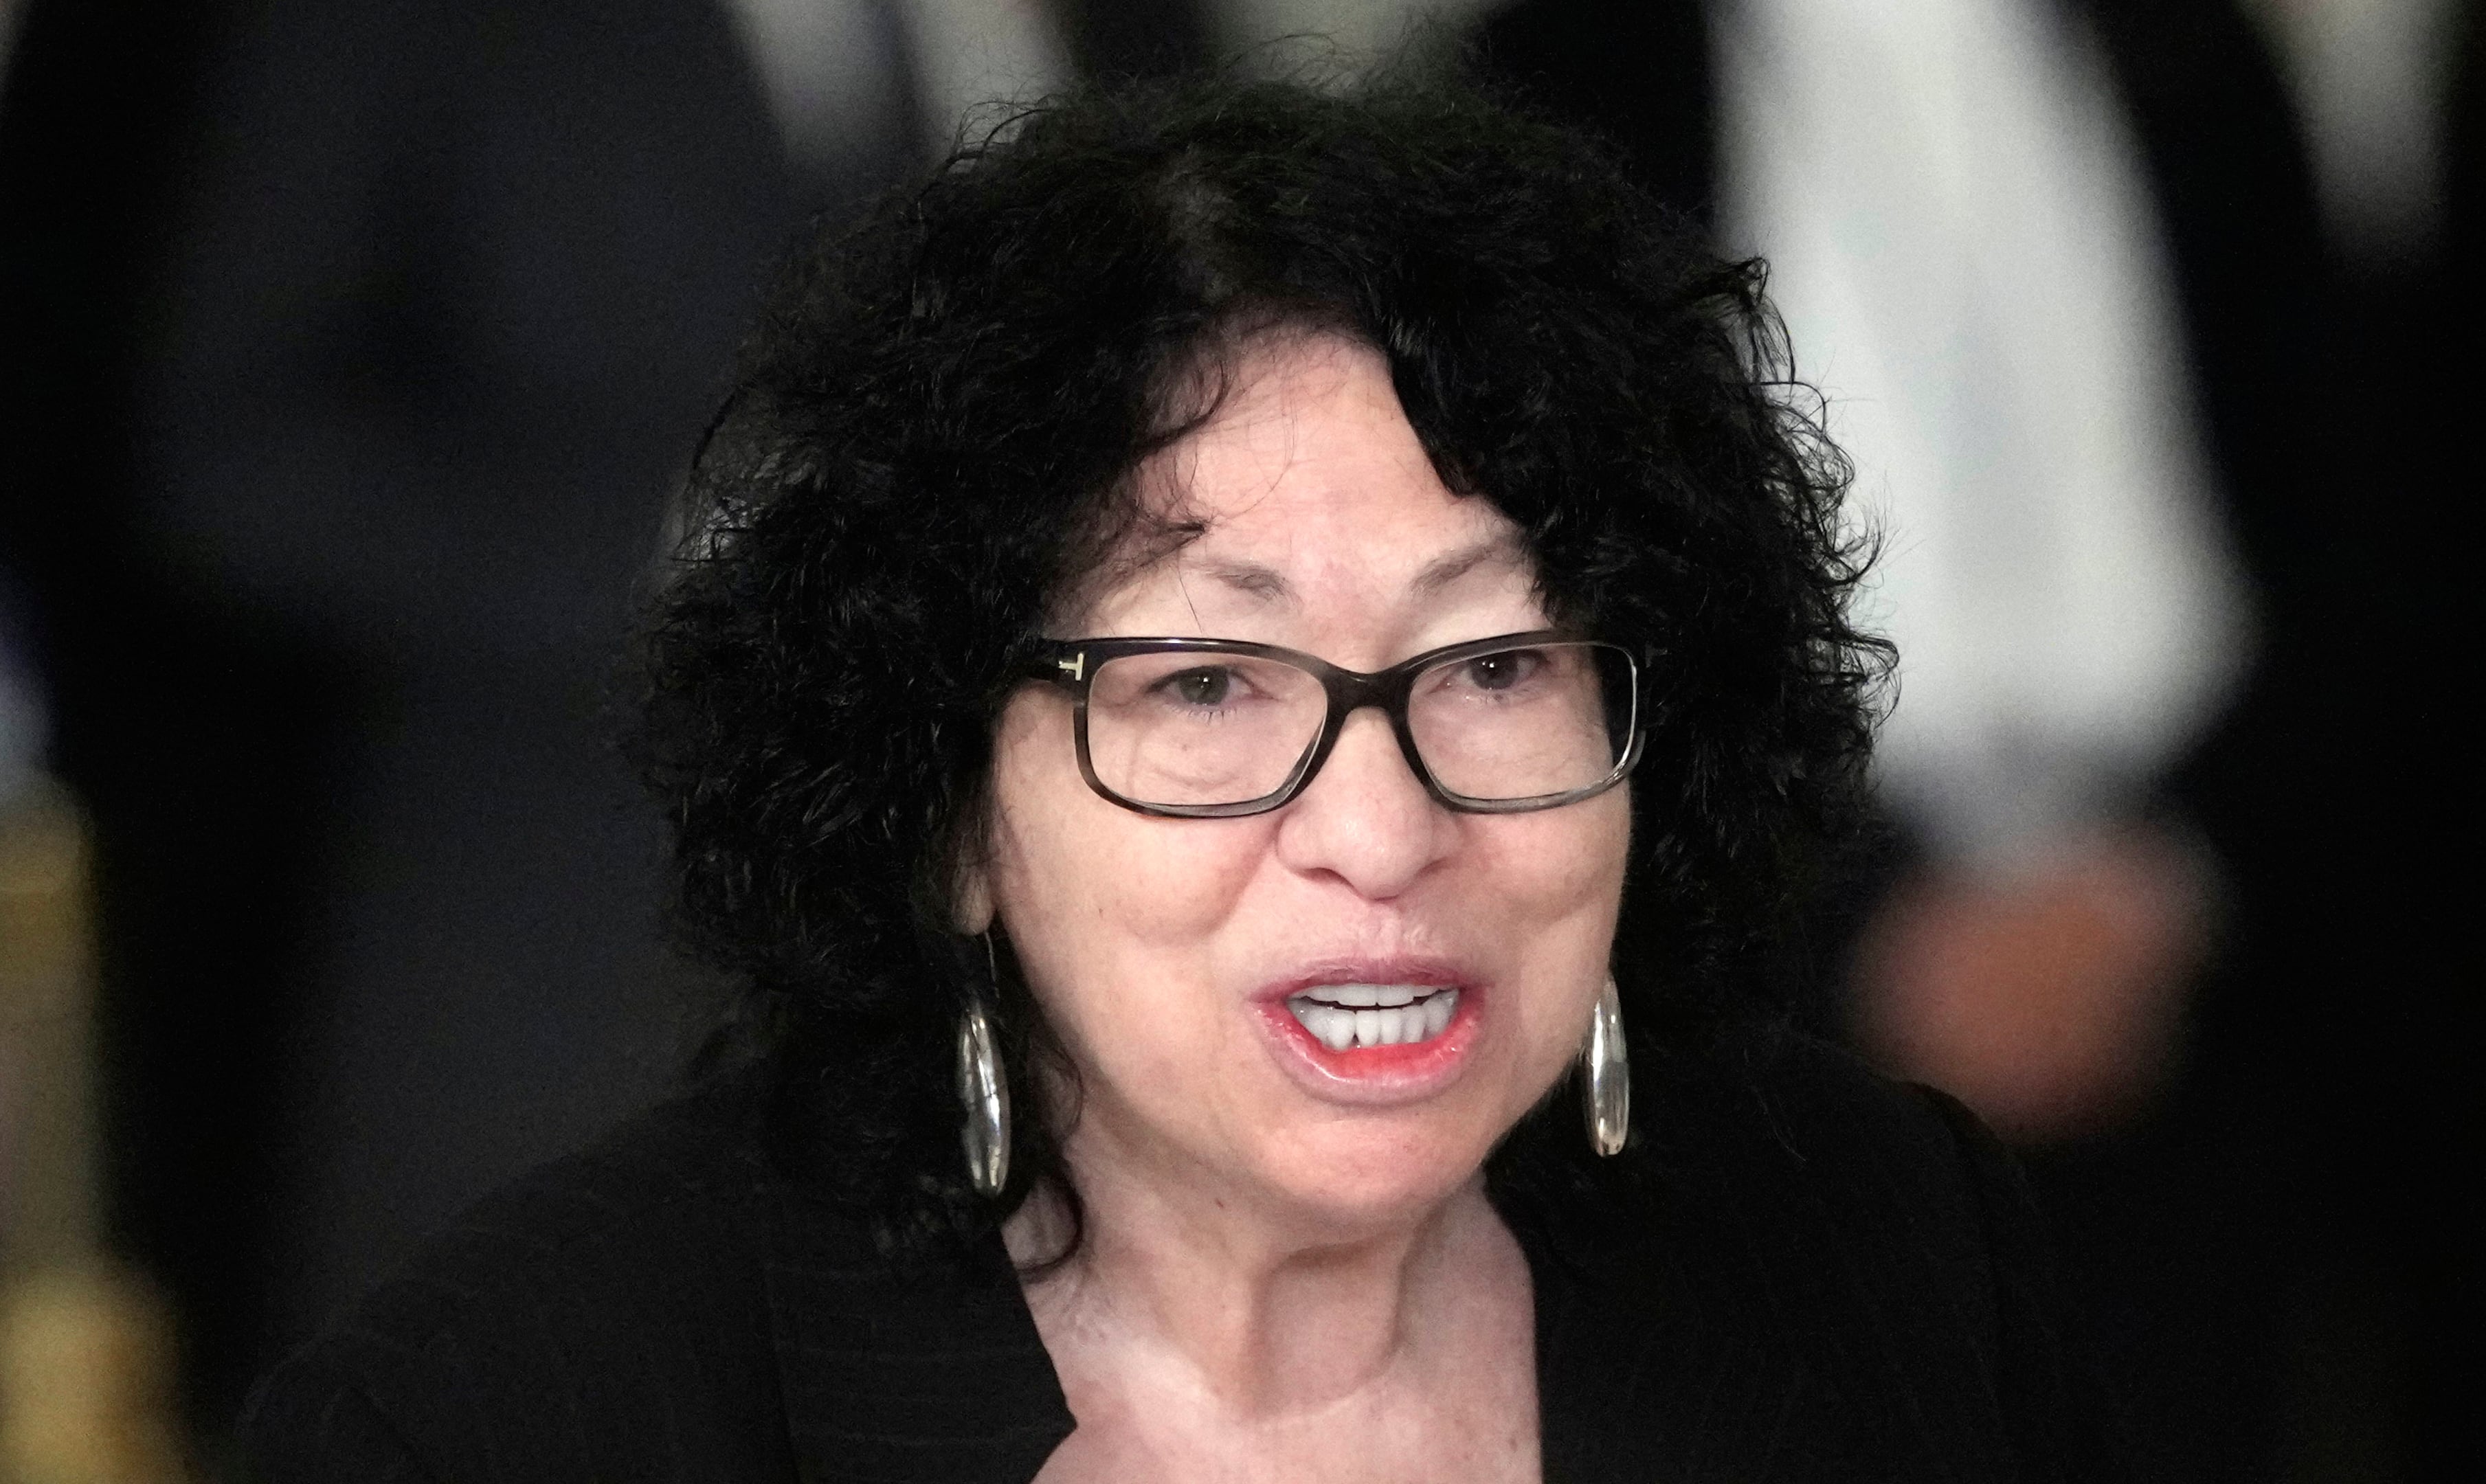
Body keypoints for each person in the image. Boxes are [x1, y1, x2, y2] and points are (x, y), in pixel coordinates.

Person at [238, 74, 2119, 1482]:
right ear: (954, 802)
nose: (1384, 833)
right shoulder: (500, 1426)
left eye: (1495, 665)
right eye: (1209, 680)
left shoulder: (1899, 1247)